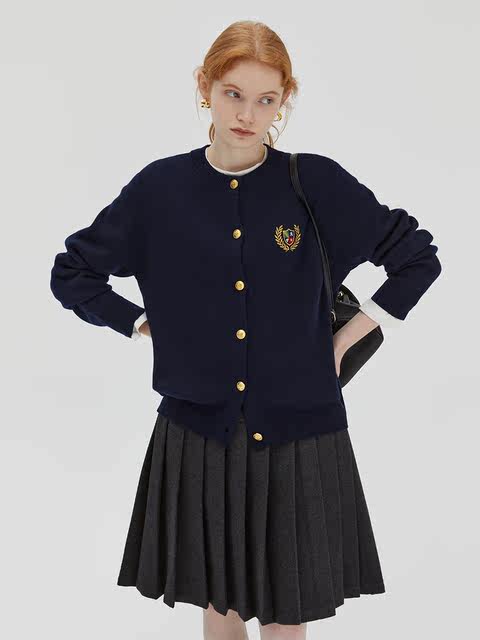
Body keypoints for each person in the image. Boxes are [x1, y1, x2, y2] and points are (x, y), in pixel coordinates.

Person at [49, 20, 442, 640]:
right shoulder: (160, 190)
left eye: (266, 99)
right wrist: (141, 323)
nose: (247, 115)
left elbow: (417, 258)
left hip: (300, 431)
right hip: (199, 432)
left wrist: (346, 339)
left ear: (285, 100)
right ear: (204, 86)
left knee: (287, 616)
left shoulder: (314, 183)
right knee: (220, 608)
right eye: (233, 93)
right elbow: (72, 272)